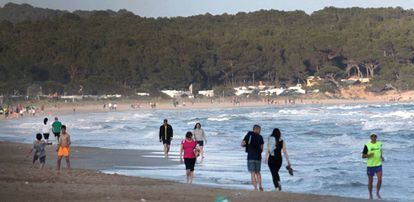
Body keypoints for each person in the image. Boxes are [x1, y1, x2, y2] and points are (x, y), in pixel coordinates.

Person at [241, 124, 264, 191]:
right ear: (257, 130)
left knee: (252, 173)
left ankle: (255, 188)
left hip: (250, 156)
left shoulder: (249, 134)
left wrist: (247, 146)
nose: (260, 131)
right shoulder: (260, 137)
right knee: (258, 172)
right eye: (259, 130)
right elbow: (261, 149)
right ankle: (260, 186)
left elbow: (242, 144)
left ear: (254, 129)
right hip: (258, 157)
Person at [362, 133, 384, 200]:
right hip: (370, 165)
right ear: (370, 137)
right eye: (372, 136)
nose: (373, 137)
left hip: (378, 164)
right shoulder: (367, 145)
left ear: (376, 137)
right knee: (370, 181)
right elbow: (363, 156)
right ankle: (370, 194)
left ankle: (377, 193)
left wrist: (381, 157)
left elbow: (380, 151)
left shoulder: (379, 143)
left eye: (375, 136)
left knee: (380, 180)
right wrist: (369, 155)